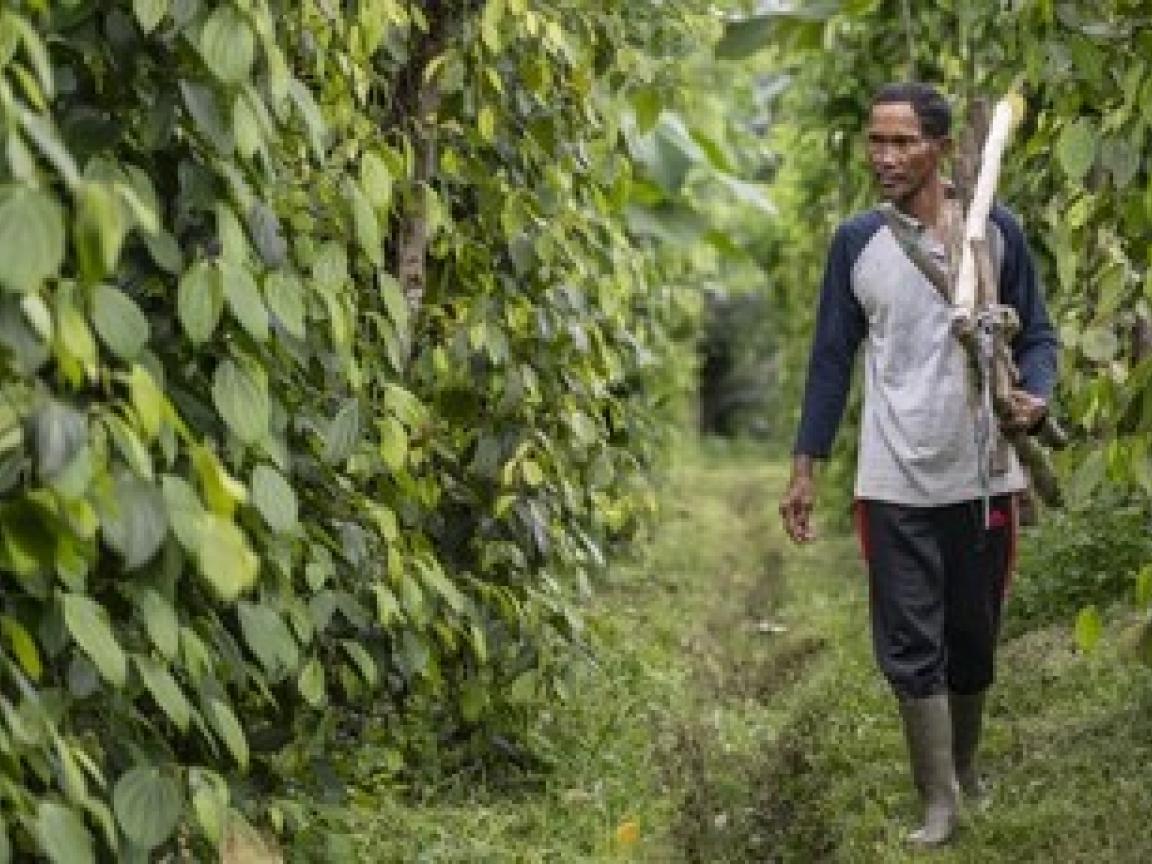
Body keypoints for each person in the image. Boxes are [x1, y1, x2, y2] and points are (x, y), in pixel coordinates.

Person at [778, 82, 1058, 846]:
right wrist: (806, 465)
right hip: (893, 477)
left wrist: (1035, 394)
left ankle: (964, 768)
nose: (886, 156)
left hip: (985, 473)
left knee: (974, 635)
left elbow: (1037, 336)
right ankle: (937, 800)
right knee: (910, 641)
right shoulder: (856, 244)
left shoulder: (993, 233)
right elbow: (831, 362)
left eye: (903, 142)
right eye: (877, 141)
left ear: (938, 148)